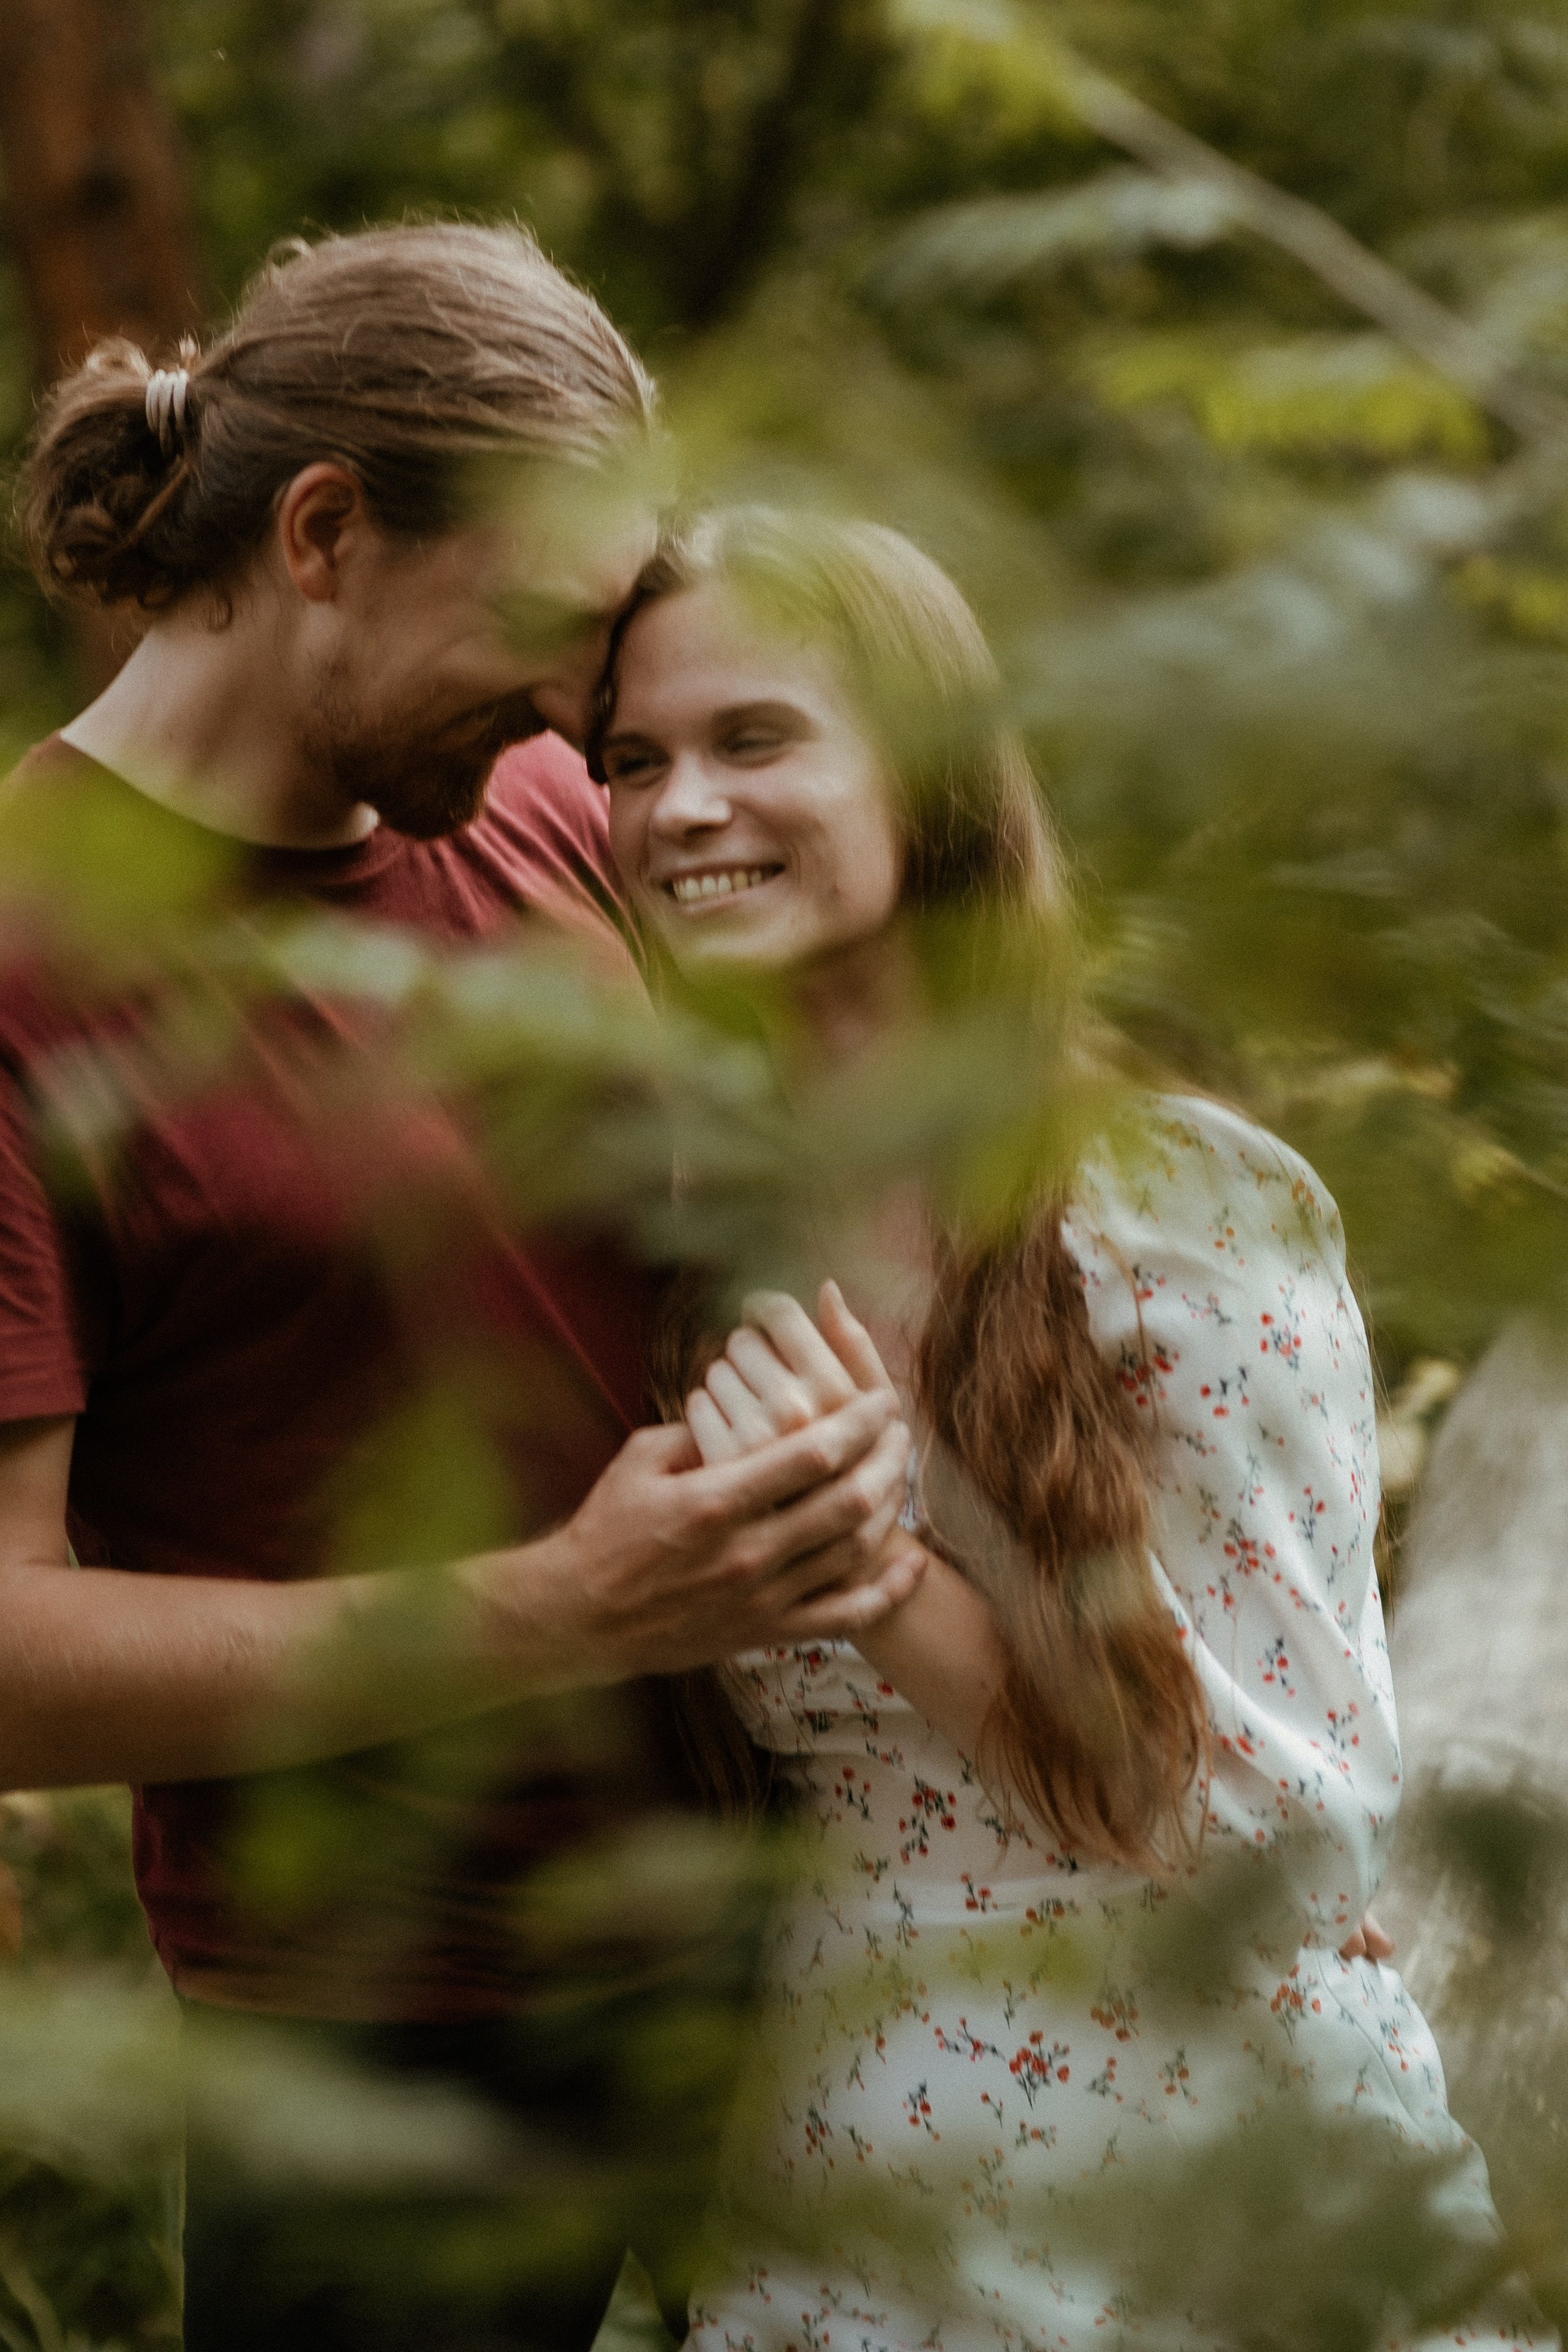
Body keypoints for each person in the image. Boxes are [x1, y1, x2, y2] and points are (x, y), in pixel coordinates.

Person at [0, 235, 922, 2351]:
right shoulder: (30, 969)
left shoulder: (548, 808)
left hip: (773, 1918)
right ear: (323, 531)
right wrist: (569, 1610)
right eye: (531, 636)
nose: (570, 714)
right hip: (362, 2056)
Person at [589, 509, 1545, 2348]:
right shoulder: (702, 1247)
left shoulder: (1173, 1212)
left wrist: (870, 1571)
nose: (677, 808)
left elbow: (1271, 1844)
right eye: (633, 760)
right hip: (851, 2186)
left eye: (754, 738)